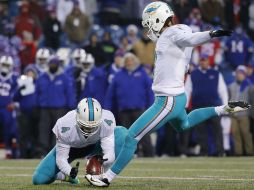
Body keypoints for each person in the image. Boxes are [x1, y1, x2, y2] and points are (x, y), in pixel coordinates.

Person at [85, 1, 250, 186]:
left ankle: (107, 177)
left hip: (167, 100)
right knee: (184, 124)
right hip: (177, 98)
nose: (148, 27)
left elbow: (191, 39)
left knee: (132, 137)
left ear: (158, 19)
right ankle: (223, 109)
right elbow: (187, 44)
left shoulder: (172, 33)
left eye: (149, 22)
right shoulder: (175, 32)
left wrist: (210, 34)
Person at [32, 98, 128, 185]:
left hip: (95, 145)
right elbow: (61, 159)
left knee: (122, 133)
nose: (89, 130)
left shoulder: (107, 119)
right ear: (77, 119)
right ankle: (63, 176)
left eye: (93, 126)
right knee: (39, 179)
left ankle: (99, 175)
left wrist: (104, 163)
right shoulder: (64, 125)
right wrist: (69, 171)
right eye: (86, 126)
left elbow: (109, 152)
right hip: (72, 149)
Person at [105, 53, 154, 157]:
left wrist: (151, 107)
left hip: (140, 109)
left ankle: (149, 154)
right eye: (127, 60)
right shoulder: (118, 75)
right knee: (126, 135)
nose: (129, 62)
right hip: (124, 110)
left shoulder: (142, 73)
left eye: (131, 60)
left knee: (143, 133)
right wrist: (107, 110)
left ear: (135, 61)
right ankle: (128, 155)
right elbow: (110, 94)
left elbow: (150, 92)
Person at [185, 53, 228, 156]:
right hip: (198, 106)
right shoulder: (193, 74)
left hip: (214, 107)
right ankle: (204, 152)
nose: (203, 62)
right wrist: (186, 106)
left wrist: (226, 106)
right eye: (201, 60)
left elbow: (223, 91)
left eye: (205, 60)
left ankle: (220, 151)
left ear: (209, 61)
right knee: (201, 131)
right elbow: (187, 90)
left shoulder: (216, 73)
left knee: (217, 130)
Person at [36, 55, 75, 157]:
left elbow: (70, 93)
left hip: (60, 108)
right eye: (51, 63)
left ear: (58, 64)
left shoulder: (65, 77)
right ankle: (42, 152)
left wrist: (71, 107)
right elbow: (37, 92)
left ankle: (56, 152)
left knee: (57, 131)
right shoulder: (42, 77)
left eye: (55, 63)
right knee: (43, 130)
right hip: (45, 108)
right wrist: (37, 105)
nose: (53, 65)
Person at [228, 65, 253, 155]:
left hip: (244, 114)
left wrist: (251, 114)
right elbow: (229, 99)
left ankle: (250, 152)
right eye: (238, 73)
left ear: (245, 75)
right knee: (235, 134)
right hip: (233, 114)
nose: (239, 75)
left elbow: (252, 101)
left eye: (241, 73)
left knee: (246, 134)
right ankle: (238, 152)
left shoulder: (249, 86)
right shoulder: (231, 86)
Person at [0, 55, 19, 158]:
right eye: (3, 65)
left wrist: (15, 104)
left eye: (7, 65)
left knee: (9, 129)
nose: (5, 67)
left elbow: (19, 94)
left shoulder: (15, 78)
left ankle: (8, 149)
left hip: (8, 108)